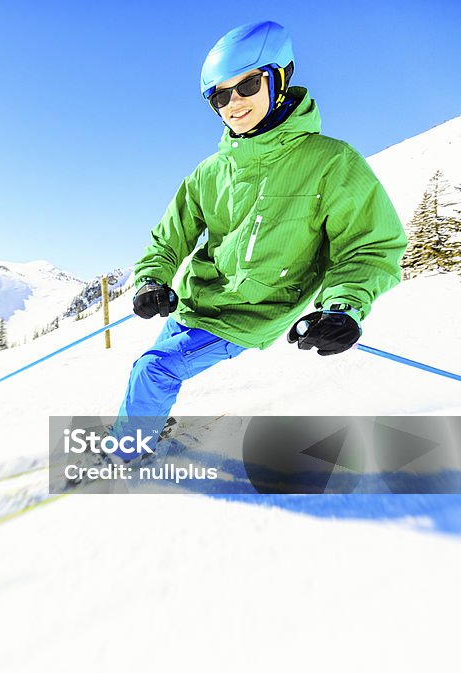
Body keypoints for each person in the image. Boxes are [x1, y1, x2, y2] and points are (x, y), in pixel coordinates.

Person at [110, 20, 407, 452]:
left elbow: (369, 246)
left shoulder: (332, 163)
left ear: (281, 78)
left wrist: (344, 307)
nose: (234, 103)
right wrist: (152, 280)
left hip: (253, 311)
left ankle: (124, 452)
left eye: (248, 84)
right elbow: (169, 237)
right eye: (220, 95)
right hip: (197, 298)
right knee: (154, 368)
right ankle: (150, 423)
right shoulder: (211, 173)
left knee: (154, 369)